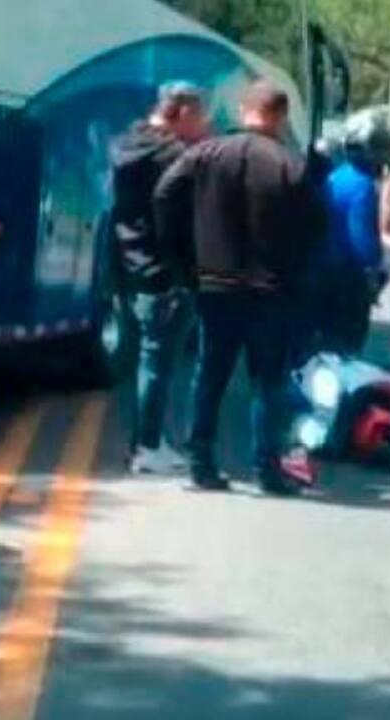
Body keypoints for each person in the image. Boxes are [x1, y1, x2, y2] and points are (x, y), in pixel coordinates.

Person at [154, 80, 323, 495]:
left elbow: (164, 195)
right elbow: (316, 229)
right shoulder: (291, 166)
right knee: (268, 381)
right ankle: (267, 470)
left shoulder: (205, 154)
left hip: (214, 284)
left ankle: (201, 464)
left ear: (244, 109)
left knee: (210, 376)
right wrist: (293, 274)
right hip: (270, 289)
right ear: (280, 116)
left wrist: (182, 261)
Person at [109, 81, 211, 475]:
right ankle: (148, 446)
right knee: (158, 363)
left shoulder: (127, 144)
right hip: (167, 272)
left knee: (148, 357)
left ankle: (148, 440)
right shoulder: (173, 157)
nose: (204, 124)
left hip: (133, 265)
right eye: (200, 116)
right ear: (182, 112)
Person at [310, 107, 390, 355]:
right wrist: (373, 274)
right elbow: (362, 239)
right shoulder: (363, 185)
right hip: (348, 279)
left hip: (321, 272)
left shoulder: (335, 177)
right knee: (346, 348)